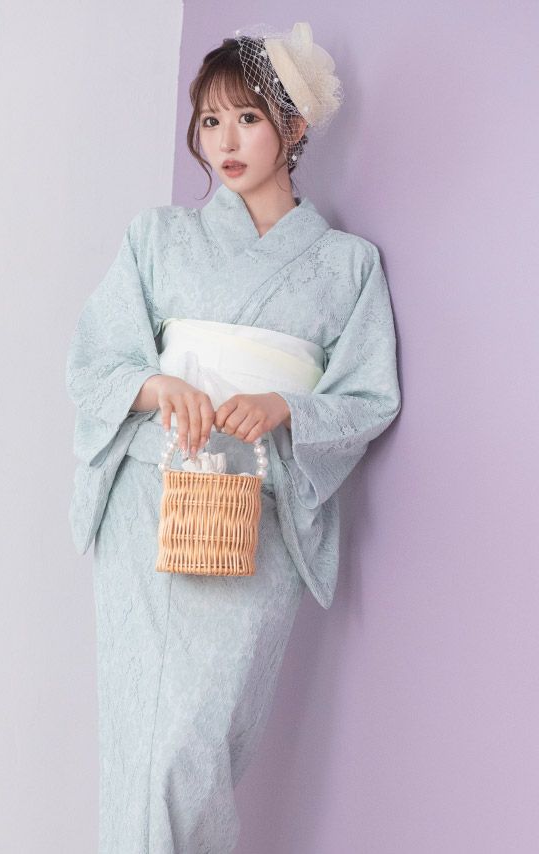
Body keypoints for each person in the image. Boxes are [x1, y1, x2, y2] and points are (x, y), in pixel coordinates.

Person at [65, 22, 401, 854]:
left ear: (294, 125)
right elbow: (96, 360)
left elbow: (368, 397)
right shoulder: (156, 237)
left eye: (247, 118)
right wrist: (159, 385)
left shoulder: (347, 264)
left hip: (259, 508)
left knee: (204, 744)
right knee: (148, 744)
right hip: (153, 499)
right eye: (210, 121)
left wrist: (286, 408)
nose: (224, 141)